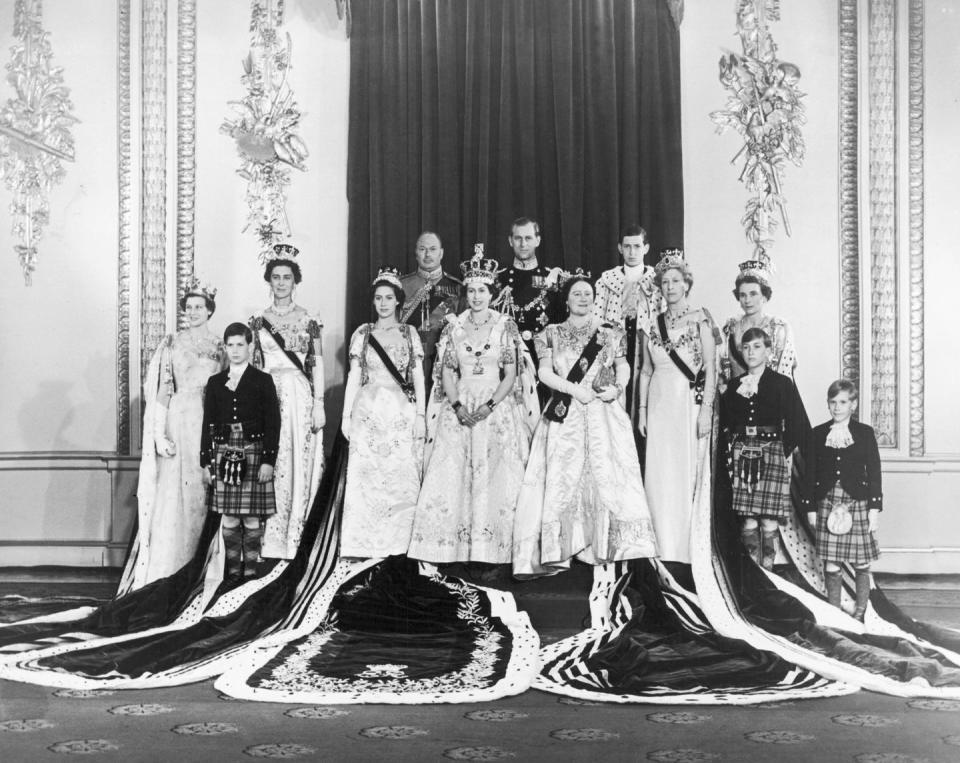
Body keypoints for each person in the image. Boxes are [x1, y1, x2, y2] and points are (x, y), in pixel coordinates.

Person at [513, 273, 658, 577]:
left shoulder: (610, 332)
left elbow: (623, 365)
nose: (583, 298)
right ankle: (564, 547)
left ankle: (601, 546)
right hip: (567, 409)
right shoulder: (550, 333)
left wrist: (617, 388)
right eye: (576, 294)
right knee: (565, 476)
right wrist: (573, 389)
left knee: (605, 473)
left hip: (603, 409)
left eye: (587, 293)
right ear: (566, 300)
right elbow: (544, 373)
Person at [407, 248, 537, 565]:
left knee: (499, 478)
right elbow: (447, 371)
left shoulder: (505, 326)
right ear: (465, 292)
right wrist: (457, 404)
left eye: (482, 290)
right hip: (461, 405)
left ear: (492, 293)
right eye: (471, 290)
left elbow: (511, 375)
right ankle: (451, 549)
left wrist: (490, 405)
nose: (476, 296)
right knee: (454, 474)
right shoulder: (454, 326)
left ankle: (495, 551)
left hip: (497, 406)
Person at [128, 277, 225, 590]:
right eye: (189, 307)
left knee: (203, 491)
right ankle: (169, 569)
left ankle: (201, 568)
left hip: (208, 421)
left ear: (210, 310)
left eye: (200, 307)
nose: (194, 311)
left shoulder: (221, 346)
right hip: (179, 420)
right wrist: (158, 433)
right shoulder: (172, 342)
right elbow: (163, 389)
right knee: (175, 492)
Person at [637, 250, 719, 564]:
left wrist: (707, 410)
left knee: (686, 474)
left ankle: (688, 551)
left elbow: (711, 367)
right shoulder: (651, 325)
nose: (670, 286)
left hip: (688, 405)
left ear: (686, 284)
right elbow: (645, 371)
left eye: (676, 281)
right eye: (665, 282)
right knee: (661, 475)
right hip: (659, 406)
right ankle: (662, 548)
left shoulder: (701, 319)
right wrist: (642, 411)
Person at [340, 267, 426, 558]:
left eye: (389, 297)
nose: (384, 303)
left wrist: (421, 416)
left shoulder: (408, 333)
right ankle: (362, 542)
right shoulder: (363, 334)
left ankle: (399, 543)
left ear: (398, 301)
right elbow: (354, 376)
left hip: (401, 410)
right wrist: (345, 415)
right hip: (368, 410)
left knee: (400, 475)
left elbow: (418, 377)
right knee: (368, 477)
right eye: (378, 298)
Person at [249, 244, 325, 560]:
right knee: (273, 460)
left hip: (299, 396)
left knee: (297, 459)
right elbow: (253, 365)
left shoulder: (309, 319)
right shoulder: (257, 320)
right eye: (276, 277)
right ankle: (270, 538)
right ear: (269, 281)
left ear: (296, 281)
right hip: (269, 394)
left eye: (287, 277)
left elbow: (317, 363)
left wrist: (319, 403)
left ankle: (296, 534)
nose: (281, 283)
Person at [718, 327, 812, 570]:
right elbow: (727, 423)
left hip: (772, 451)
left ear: (769, 351)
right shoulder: (734, 385)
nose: (751, 352)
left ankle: (768, 572)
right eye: (746, 347)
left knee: (769, 518)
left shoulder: (781, 383)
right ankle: (754, 574)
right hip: (742, 453)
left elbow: (797, 422)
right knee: (748, 518)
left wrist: (781, 450)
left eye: (757, 346)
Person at [201, 323, 281, 586]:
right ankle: (233, 573)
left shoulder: (262, 380)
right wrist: (206, 462)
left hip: (254, 450)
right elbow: (208, 423)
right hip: (224, 452)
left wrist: (268, 460)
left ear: (250, 347)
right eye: (230, 345)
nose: (234, 350)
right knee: (230, 515)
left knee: (250, 515)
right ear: (225, 347)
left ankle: (250, 574)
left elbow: (273, 422)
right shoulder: (215, 382)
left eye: (240, 345)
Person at [805, 379, 882, 620]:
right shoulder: (818, 434)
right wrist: (810, 507)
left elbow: (875, 472)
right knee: (831, 564)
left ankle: (861, 611)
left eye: (843, 402)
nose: (837, 407)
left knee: (861, 563)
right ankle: (834, 612)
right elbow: (809, 472)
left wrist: (874, 508)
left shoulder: (865, 433)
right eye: (832, 402)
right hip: (827, 502)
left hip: (857, 502)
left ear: (853, 404)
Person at [592, 224, 660, 426]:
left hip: (646, 349)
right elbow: (597, 319)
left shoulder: (657, 281)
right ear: (620, 248)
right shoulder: (606, 280)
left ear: (646, 248)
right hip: (615, 350)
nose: (632, 252)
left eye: (637, 246)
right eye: (627, 246)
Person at [494, 217, 563, 401]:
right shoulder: (497, 280)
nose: (523, 244)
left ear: (538, 240)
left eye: (528, 238)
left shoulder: (553, 279)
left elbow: (559, 324)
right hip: (507, 360)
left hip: (543, 361)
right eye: (518, 238)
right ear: (510, 241)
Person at [719, 257, 798, 386]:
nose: (747, 300)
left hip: (771, 398)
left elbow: (784, 374)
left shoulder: (778, 328)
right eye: (743, 295)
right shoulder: (731, 328)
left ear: (764, 296)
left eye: (753, 294)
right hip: (737, 399)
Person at [399, 231, 463, 387]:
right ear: (416, 253)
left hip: (442, 362)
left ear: (441, 253)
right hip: (408, 360)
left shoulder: (457, 288)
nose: (427, 254)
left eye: (433, 249)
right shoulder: (401, 285)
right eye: (422, 249)